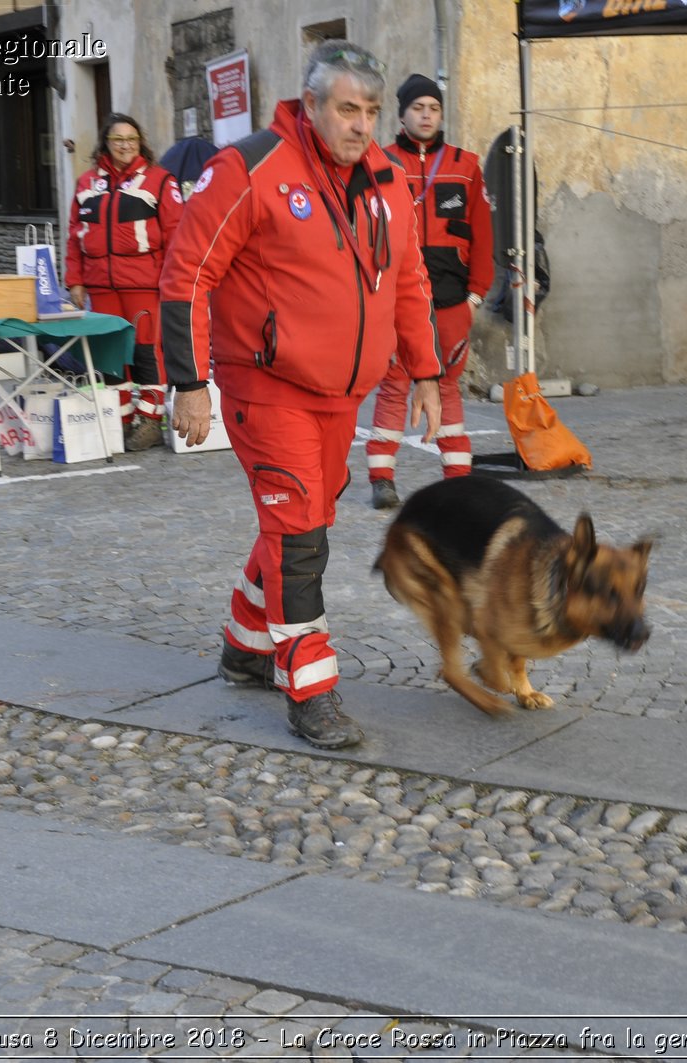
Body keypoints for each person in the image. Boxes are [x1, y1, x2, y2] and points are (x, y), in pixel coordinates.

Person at [159, 40, 443, 749]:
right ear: (311, 106)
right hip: (266, 383)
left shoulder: (388, 180)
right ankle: (310, 687)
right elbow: (187, 275)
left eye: (372, 111)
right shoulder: (251, 168)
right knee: (297, 533)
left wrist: (427, 371)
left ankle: (245, 640)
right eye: (348, 109)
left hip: (339, 392)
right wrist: (190, 385)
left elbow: (409, 284)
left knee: (305, 520)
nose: (362, 125)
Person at [364, 73, 495, 509]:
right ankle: (382, 478)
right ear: (401, 114)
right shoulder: (378, 164)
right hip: (400, 304)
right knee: (395, 385)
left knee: (449, 387)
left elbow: (482, 233)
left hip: (453, 301)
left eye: (434, 108)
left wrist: (476, 293)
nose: (426, 115)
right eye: (418, 108)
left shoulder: (465, 165)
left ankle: (458, 479)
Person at [65, 113, 184, 451]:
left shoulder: (161, 181)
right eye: (118, 139)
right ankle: (120, 419)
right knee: (111, 357)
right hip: (100, 287)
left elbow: (178, 235)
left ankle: (150, 419)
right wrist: (75, 281)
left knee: (147, 352)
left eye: (131, 138)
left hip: (145, 285)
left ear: (140, 141)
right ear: (106, 143)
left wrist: (172, 280)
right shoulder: (86, 183)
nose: (125, 145)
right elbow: (75, 238)